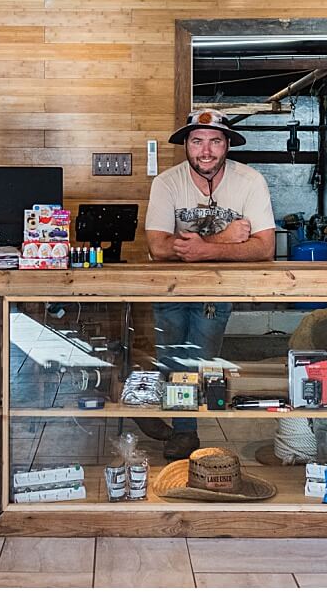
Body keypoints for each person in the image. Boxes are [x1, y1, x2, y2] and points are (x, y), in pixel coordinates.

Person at [138, 108, 276, 459]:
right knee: (171, 353)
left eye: (215, 141)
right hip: (169, 286)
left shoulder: (250, 181)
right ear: (186, 144)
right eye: (197, 141)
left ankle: (174, 422)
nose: (206, 150)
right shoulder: (167, 182)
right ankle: (182, 429)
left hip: (218, 289)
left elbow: (265, 247)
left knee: (200, 355)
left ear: (227, 144)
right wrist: (227, 239)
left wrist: (201, 248)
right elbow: (157, 245)